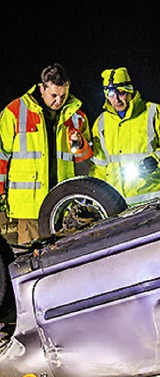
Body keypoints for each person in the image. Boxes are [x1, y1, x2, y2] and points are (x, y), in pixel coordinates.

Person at [0, 63, 93, 244]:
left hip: (63, 206)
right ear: (42, 88)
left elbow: (87, 160)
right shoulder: (15, 112)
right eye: (54, 95)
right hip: (29, 209)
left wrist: (81, 144)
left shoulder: (76, 116)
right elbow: (1, 155)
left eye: (63, 95)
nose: (58, 101)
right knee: (31, 261)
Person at [89, 67, 160, 206]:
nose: (116, 100)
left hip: (156, 200)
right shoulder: (101, 123)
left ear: (130, 90)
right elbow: (99, 166)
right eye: (110, 94)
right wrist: (94, 197)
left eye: (121, 93)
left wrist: (156, 159)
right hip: (120, 205)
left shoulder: (154, 112)